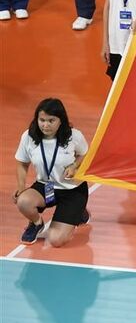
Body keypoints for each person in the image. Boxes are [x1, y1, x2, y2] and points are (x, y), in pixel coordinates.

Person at [13, 98, 90, 247]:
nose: (45, 125)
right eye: (42, 120)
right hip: (46, 186)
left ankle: (79, 211)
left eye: (51, 121)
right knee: (23, 201)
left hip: (72, 190)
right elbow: (22, 163)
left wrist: (74, 165)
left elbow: (85, 154)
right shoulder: (29, 137)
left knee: (55, 240)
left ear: (61, 121)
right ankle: (36, 223)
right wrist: (21, 187)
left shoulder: (74, 136)